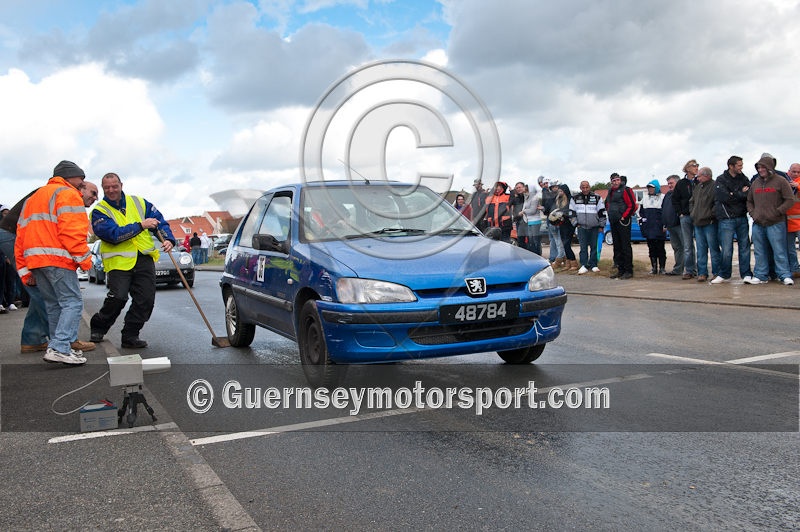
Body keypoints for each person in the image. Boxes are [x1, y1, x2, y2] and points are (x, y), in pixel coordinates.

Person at [15, 161, 93, 365]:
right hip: (58, 259)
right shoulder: (68, 194)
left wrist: (24, 269)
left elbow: (21, 235)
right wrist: (85, 260)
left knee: (53, 305)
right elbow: (72, 231)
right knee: (72, 302)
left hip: (36, 261)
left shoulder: (33, 198)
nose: (82, 182)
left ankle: (61, 348)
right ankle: (59, 347)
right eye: (81, 178)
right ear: (69, 176)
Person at [89, 172, 176, 348]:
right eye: (107, 187)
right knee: (118, 298)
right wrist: (141, 226)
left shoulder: (139, 202)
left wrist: (168, 239)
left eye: (115, 186)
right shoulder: (99, 211)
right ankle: (99, 325)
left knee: (146, 300)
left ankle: (130, 335)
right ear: (103, 188)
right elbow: (112, 235)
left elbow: (159, 221)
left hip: (144, 258)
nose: (111, 190)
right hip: (118, 262)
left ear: (121, 185)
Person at [746, 156, 795, 285]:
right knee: (759, 251)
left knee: (779, 251)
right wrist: (753, 213)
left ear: (769, 168)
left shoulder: (781, 181)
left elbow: (790, 200)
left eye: (763, 167)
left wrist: (777, 212)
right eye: (759, 168)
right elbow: (749, 201)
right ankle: (760, 275)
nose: (760, 170)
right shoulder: (755, 183)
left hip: (776, 223)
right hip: (758, 223)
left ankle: (784, 275)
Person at [713, 156, 752, 284]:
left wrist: (733, 194)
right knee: (726, 249)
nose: (741, 167)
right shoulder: (721, 179)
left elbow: (748, 193)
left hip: (742, 217)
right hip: (726, 218)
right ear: (731, 166)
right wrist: (740, 193)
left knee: (744, 247)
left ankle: (746, 274)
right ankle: (724, 274)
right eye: (739, 165)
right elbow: (724, 197)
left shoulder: (744, 178)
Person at [689, 167, 720, 283]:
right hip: (697, 223)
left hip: (710, 223)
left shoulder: (714, 186)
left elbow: (717, 203)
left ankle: (716, 273)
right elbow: (691, 201)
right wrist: (693, 213)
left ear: (707, 176)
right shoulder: (698, 187)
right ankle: (702, 273)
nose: (698, 178)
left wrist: (711, 215)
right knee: (701, 250)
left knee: (714, 249)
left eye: (700, 176)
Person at [570, 180, 605, 274]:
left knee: (594, 247)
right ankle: (584, 265)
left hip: (594, 227)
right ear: (580, 188)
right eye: (583, 187)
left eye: (587, 187)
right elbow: (571, 213)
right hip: (581, 227)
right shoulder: (575, 198)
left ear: (590, 187)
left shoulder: (597, 197)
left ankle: (594, 264)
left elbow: (602, 212)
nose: (585, 189)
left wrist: (601, 225)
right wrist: (576, 224)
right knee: (583, 248)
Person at [673, 160, 699, 279]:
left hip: (699, 216)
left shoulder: (699, 181)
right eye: (694, 166)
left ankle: (700, 270)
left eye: (697, 166)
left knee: (701, 244)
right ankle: (689, 270)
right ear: (688, 168)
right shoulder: (681, 183)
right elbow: (675, 199)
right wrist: (680, 213)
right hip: (685, 216)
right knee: (688, 245)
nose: (696, 168)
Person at [639, 179, 668, 275]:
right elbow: (640, 213)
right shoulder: (645, 199)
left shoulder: (663, 197)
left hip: (659, 227)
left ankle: (662, 268)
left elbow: (666, 212)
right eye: (649, 188)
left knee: (661, 248)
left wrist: (665, 224)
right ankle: (654, 267)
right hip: (649, 227)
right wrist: (642, 222)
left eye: (652, 187)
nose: (650, 189)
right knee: (651, 248)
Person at [662, 175, 684, 275]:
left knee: (686, 247)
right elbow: (663, 208)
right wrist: (664, 223)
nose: (669, 185)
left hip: (680, 225)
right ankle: (678, 269)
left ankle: (690, 269)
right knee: (676, 247)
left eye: (671, 183)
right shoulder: (667, 195)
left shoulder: (682, 193)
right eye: (668, 183)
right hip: (670, 226)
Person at [522, 182, 544, 255]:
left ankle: (538, 254)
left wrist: (524, 211)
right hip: (529, 221)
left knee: (535, 239)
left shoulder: (535, 198)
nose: (525, 190)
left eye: (526, 189)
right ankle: (533, 254)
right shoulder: (527, 198)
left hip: (535, 221)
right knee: (531, 240)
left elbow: (532, 211)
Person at [786, 162, 800, 277]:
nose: (796, 174)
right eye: (793, 171)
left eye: (798, 172)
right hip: (787, 223)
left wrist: (798, 186)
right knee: (789, 249)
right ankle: (795, 270)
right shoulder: (784, 180)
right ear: (789, 171)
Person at [508, 182, 526, 246]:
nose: (518, 189)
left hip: (527, 221)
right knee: (520, 240)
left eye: (520, 187)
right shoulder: (515, 198)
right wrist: (512, 193)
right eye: (517, 188)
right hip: (518, 221)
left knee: (530, 240)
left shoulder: (527, 196)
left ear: (524, 187)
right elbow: (509, 204)